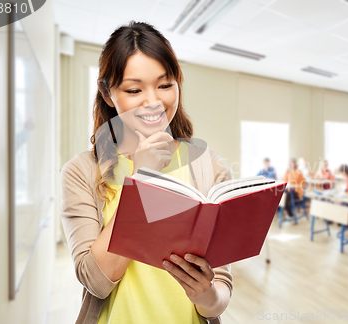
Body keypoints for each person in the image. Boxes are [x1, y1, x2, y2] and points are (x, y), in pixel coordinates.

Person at [60, 22, 233, 324]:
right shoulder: (81, 172)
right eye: (134, 89)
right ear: (108, 93)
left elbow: (219, 294)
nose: (153, 101)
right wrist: (141, 182)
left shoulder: (211, 168)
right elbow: (96, 281)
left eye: (165, 85)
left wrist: (207, 295)